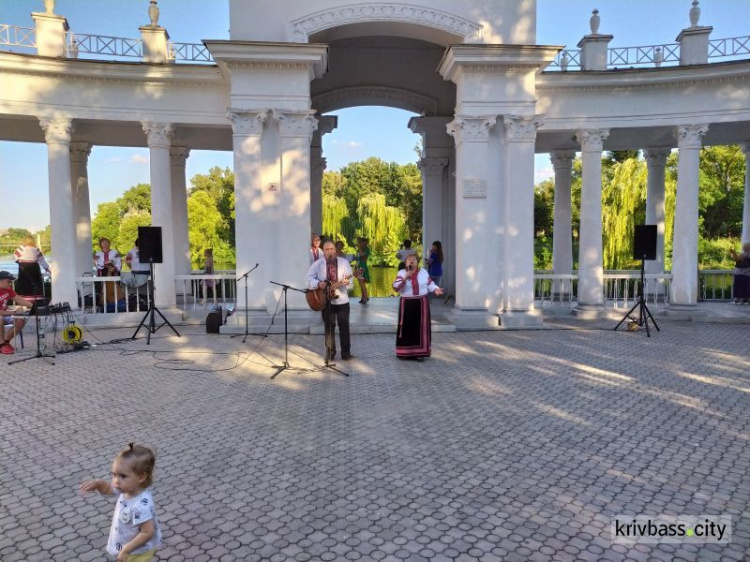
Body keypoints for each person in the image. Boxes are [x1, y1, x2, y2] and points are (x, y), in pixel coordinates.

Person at [80, 443, 163, 562]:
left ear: (141, 477)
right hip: (129, 549)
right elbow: (108, 489)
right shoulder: (129, 489)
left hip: (137, 552)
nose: (116, 481)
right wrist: (98, 484)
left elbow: (147, 532)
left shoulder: (140, 505)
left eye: (122, 476)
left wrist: (126, 550)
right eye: (114, 475)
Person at [306, 240, 354, 361]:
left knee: (344, 326)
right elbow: (308, 279)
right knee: (329, 327)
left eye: (331, 249)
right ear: (324, 252)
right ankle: (330, 353)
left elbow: (351, 284)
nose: (329, 251)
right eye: (327, 249)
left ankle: (346, 353)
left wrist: (347, 283)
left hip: (342, 300)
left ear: (335, 250)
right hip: (325, 301)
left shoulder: (344, 263)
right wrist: (318, 283)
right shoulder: (318, 264)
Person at [392, 254, 444, 361]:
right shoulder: (401, 273)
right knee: (407, 327)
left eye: (414, 259)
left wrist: (436, 289)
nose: (411, 261)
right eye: (409, 259)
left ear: (417, 262)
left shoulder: (423, 272)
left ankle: (419, 354)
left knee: (420, 329)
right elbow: (396, 288)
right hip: (407, 304)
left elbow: (430, 284)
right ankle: (405, 353)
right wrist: (406, 276)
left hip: (422, 303)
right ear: (405, 263)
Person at [0, 271, 34, 355]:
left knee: (20, 320)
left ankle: (6, 342)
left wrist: (34, 306)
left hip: (4, 313)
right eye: (8, 281)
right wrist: (14, 312)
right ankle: (1, 345)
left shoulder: (8, 289)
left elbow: (18, 299)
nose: (10, 284)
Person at [354, 237, 370, 304]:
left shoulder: (367, 250)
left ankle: (365, 298)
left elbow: (361, 254)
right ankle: (363, 297)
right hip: (358, 267)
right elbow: (357, 259)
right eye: (361, 243)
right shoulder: (358, 250)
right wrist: (355, 267)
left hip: (362, 268)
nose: (362, 244)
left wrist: (358, 245)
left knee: (362, 284)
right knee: (360, 284)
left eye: (364, 243)